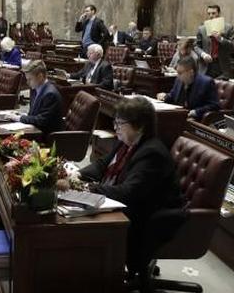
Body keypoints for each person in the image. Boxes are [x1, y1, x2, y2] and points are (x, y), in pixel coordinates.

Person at [61, 96, 182, 279]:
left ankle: (90, 277)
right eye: (115, 121)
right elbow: (103, 163)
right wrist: (78, 175)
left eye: (120, 123)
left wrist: (85, 187)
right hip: (119, 203)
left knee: (73, 225)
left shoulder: (152, 153)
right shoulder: (126, 142)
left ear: (140, 126)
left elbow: (127, 193)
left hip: (142, 219)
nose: (115, 127)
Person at [158, 56, 219, 121]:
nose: (177, 76)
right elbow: (172, 96)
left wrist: (196, 112)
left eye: (180, 73)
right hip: (178, 115)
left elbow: (214, 105)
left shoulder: (206, 82)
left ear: (191, 72)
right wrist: (164, 96)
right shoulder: (179, 80)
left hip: (195, 119)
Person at [14, 60, 63, 136]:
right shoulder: (35, 89)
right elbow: (34, 114)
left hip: (46, 136)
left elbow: (42, 120)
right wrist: (22, 114)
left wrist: (20, 118)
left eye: (30, 79)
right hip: (35, 129)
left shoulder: (50, 94)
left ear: (40, 76)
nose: (27, 82)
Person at [194, 4, 234, 78]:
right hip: (206, 65)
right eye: (209, 14)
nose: (211, 16)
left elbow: (233, 46)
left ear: (219, 14)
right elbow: (196, 46)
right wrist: (203, 54)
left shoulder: (228, 28)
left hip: (222, 66)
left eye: (213, 13)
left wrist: (221, 39)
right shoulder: (202, 29)